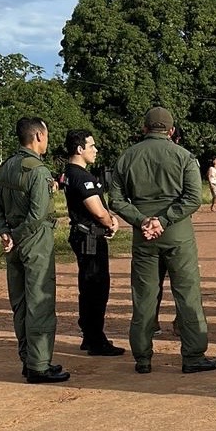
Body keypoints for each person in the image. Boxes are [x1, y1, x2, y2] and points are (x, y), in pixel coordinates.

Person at [108, 106, 216, 375]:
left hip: (144, 236)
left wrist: (142, 220)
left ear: (144, 128)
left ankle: (142, 357)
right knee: (187, 294)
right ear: (171, 131)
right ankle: (193, 355)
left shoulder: (127, 157)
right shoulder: (184, 156)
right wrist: (164, 220)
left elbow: (116, 200)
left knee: (144, 297)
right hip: (178, 235)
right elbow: (193, 198)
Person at [0, 117, 69, 384]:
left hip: (12, 242)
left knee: (20, 303)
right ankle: (39, 365)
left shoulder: (4, 168)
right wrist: (18, 235)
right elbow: (37, 214)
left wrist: (5, 232)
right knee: (40, 302)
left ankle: (28, 359)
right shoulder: (38, 171)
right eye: (46, 135)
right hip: (35, 241)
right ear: (38, 136)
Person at [63, 130, 124, 357]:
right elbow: (97, 211)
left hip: (83, 234)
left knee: (88, 287)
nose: (95, 150)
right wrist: (110, 223)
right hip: (89, 237)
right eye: (92, 146)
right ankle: (96, 339)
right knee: (96, 287)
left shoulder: (69, 173)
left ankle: (89, 336)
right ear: (80, 149)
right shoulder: (81, 176)